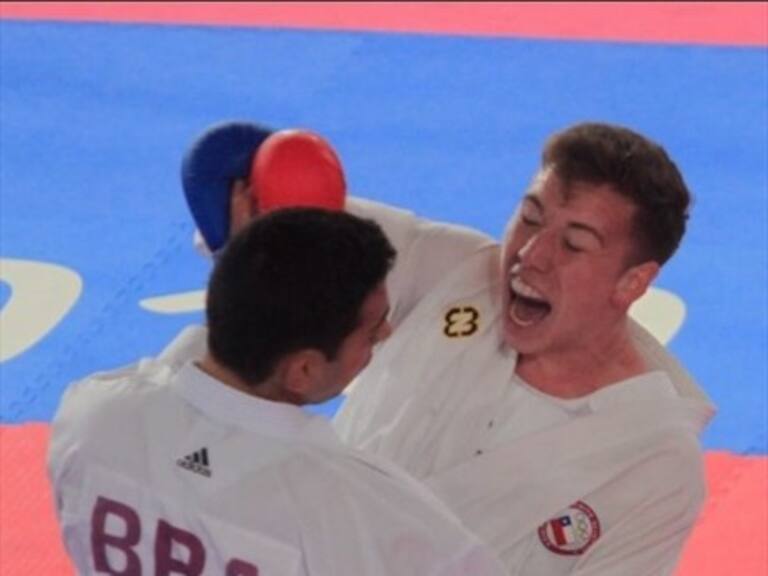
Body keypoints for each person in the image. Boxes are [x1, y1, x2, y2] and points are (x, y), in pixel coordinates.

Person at [333, 122, 716, 575]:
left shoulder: (655, 461)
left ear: (633, 282)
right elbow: (290, 222)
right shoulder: (456, 275)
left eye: (574, 244)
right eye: (530, 218)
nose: (530, 254)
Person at [47, 209, 507, 575]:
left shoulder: (92, 413)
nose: (387, 333)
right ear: (302, 370)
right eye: (371, 330)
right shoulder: (359, 505)